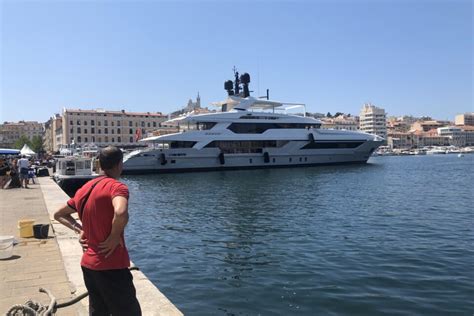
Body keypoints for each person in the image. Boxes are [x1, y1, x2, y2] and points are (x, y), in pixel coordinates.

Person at [54, 146, 141, 315]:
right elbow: (121, 212)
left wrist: (78, 229)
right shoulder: (117, 187)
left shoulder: (85, 188)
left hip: (88, 265)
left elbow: (59, 214)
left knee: (98, 311)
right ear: (119, 164)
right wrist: (114, 236)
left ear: (99, 164)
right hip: (111, 264)